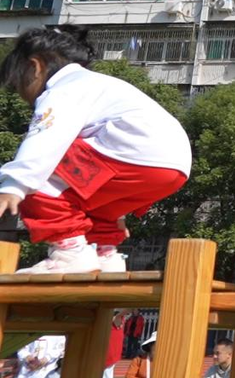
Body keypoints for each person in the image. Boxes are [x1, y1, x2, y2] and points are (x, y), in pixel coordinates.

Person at [0, 26, 191, 274]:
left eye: (18, 86)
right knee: (88, 201)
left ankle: (68, 254)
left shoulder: (63, 89)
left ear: (35, 67)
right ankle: (106, 255)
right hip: (173, 166)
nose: (23, 97)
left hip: (133, 151)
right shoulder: (98, 85)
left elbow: (46, 140)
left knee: (37, 175)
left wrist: (13, 186)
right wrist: (118, 214)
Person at [104, 310, 127, 378]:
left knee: (107, 373)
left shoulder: (116, 323)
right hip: (111, 353)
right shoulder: (115, 325)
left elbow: (122, 314)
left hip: (110, 354)